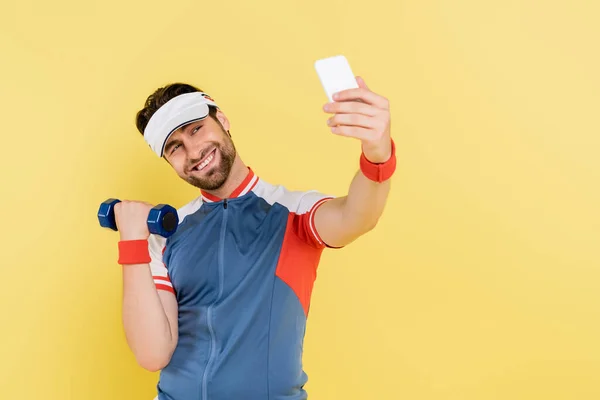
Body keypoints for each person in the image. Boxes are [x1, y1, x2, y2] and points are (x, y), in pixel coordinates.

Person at [113, 76, 396, 400]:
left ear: (222, 119)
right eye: (174, 147)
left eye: (195, 129)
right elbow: (152, 353)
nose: (193, 152)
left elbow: (357, 216)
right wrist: (132, 241)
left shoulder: (293, 212)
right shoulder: (165, 234)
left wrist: (378, 154)